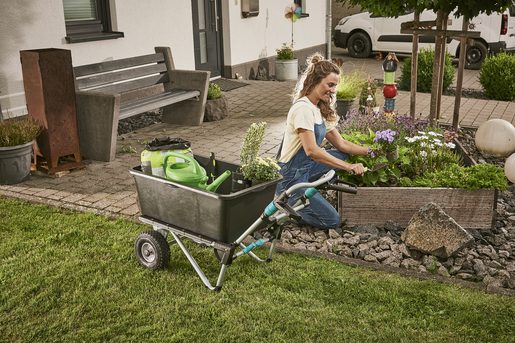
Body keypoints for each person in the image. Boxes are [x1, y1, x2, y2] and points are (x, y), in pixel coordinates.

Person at [275, 53, 370, 229]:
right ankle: (284, 207)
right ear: (315, 81)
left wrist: (370, 151)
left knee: (342, 154)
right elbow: (312, 151)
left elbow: (342, 144)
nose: (333, 90)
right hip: (291, 177)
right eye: (330, 85)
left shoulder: (318, 108)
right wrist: (349, 167)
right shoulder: (303, 109)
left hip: (305, 169)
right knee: (332, 220)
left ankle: (312, 190)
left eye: (335, 86)